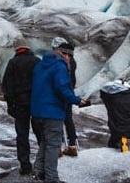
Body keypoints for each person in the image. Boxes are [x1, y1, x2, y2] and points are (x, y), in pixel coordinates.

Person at [30, 47, 89, 183]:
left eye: (70, 55)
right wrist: (77, 100)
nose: (68, 57)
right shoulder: (59, 66)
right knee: (53, 145)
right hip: (52, 111)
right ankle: (51, 178)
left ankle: (38, 172)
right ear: (60, 53)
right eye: (66, 54)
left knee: (45, 142)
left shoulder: (40, 65)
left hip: (38, 111)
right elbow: (62, 88)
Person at [1, 38, 40, 176]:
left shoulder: (13, 63)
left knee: (22, 135)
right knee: (39, 132)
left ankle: (25, 164)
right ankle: (43, 161)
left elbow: (7, 86)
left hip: (19, 104)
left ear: (16, 49)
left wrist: (10, 104)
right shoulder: (36, 61)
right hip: (36, 103)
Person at [99, 79, 130, 153]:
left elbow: (102, 94)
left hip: (114, 128)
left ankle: (112, 146)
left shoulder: (109, 97)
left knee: (114, 137)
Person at [50, 39, 79, 157]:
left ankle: (58, 147)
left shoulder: (58, 62)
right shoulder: (73, 62)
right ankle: (72, 144)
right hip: (69, 93)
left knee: (58, 119)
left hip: (60, 94)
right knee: (68, 119)